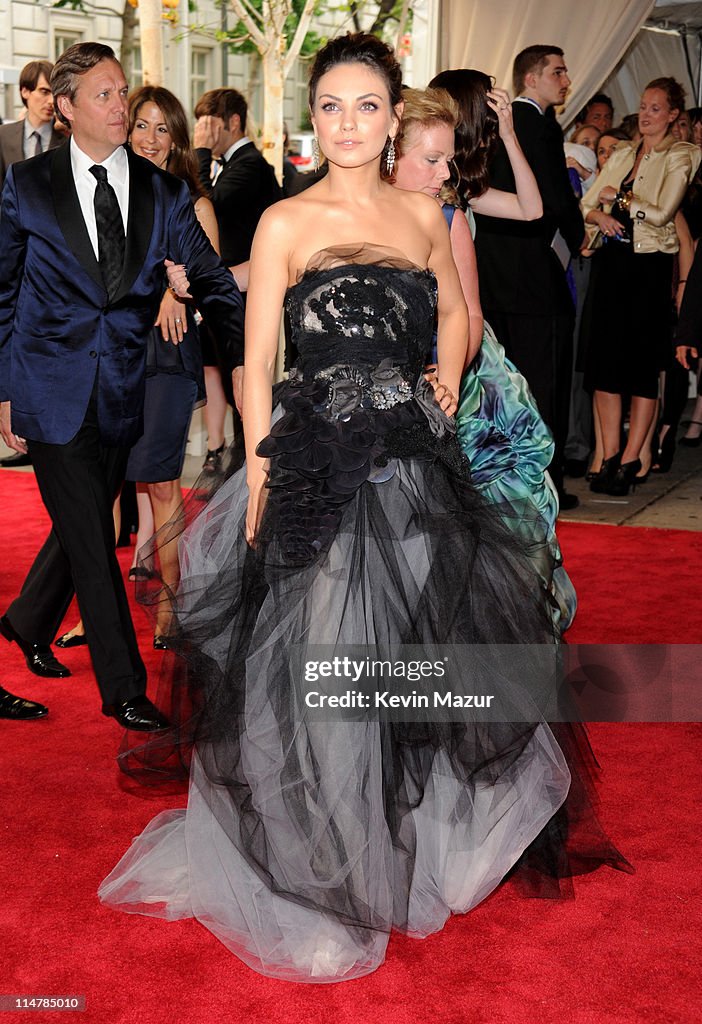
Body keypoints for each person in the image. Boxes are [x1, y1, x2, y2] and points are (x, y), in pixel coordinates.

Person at [100, 33, 627, 983]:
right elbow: (257, 363)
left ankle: (404, 844)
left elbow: (459, 309)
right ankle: (322, 875)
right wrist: (259, 476)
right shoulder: (284, 224)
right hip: (314, 469)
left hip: (416, 466)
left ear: (395, 118)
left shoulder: (425, 212)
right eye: (332, 106)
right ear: (316, 117)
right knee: (326, 671)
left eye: (367, 106)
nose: (348, 123)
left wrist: (450, 384)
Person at [0, 43, 244, 730]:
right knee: (89, 534)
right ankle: (125, 687)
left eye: (122, 92)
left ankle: (25, 620)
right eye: (104, 95)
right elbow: (1, 293)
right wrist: (3, 391)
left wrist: (262, 346)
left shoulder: (164, 191)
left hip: (124, 390)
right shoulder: (28, 184)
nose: (120, 106)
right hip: (48, 389)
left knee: (80, 527)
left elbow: (214, 281)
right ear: (67, 106)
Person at [398, 79, 574, 631]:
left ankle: (492, 617)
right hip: (416, 361)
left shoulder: (454, 197)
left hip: (467, 364)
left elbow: (531, 208)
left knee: (486, 493)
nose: (442, 168)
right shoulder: (409, 199)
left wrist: (512, 135)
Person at [55, 85, 221, 652]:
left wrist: (177, 297)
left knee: (159, 482)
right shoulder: (113, 190)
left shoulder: (191, 203)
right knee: (98, 491)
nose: (149, 138)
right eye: (141, 125)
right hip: (109, 356)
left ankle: (169, 606)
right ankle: (95, 615)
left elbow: (209, 280)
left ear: (177, 140)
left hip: (166, 360)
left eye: (162, 129)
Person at [472, 45, 585, 510]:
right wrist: (575, 238)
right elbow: (552, 204)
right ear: (531, 78)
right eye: (557, 71)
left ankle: (507, 478)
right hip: (535, 279)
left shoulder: (504, 124)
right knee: (542, 386)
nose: (565, 80)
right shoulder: (536, 124)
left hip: (495, 279)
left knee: (504, 388)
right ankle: (545, 482)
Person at [582, 77, 700, 496]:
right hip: (613, 265)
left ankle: (634, 457)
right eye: (644, 107)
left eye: (656, 108)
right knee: (605, 366)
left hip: (649, 268)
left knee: (640, 367)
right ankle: (609, 453)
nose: (647, 115)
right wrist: (600, 216)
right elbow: (588, 201)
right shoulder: (624, 152)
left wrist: (623, 202)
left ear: (672, 115)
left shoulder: (683, 154)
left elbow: (665, 212)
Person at [0, 60, 66, 469]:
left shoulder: (64, 142)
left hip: (48, 264)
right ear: (25, 92)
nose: (48, 101)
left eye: (53, 94)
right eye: (42, 92)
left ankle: (44, 426)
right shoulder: (4, 137)